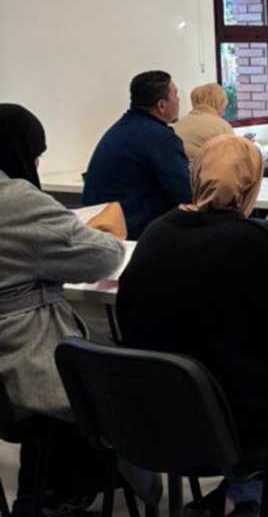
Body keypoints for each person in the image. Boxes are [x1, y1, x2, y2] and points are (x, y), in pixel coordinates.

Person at [116, 135, 268, 517]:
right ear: (251, 186)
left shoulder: (156, 233)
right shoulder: (254, 242)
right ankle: (237, 501)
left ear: (196, 176)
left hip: (153, 414)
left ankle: (226, 501)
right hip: (234, 419)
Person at [0, 104, 130, 516]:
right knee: (118, 380)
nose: (38, 164)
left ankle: (45, 489)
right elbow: (104, 257)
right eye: (36, 154)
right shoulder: (17, 201)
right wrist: (98, 233)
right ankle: (68, 493)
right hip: (26, 365)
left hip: (6, 369)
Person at [83, 70, 191, 239]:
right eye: (176, 95)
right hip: (134, 233)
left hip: (99, 227)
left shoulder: (121, 128)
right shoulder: (160, 137)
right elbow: (186, 195)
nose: (178, 101)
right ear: (162, 105)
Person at [173, 83, 234, 163]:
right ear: (219, 103)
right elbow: (233, 159)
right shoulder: (221, 126)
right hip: (207, 170)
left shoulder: (179, 123)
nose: (224, 111)